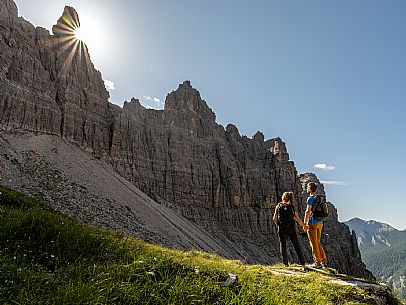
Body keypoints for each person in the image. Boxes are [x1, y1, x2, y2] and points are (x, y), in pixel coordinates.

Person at [273, 191, 306, 266]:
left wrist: (279, 225)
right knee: (297, 245)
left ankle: (285, 264)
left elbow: (274, 219)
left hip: (281, 229)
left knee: (283, 246)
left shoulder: (278, 206)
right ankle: (303, 263)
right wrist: (304, 226)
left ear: (284, 197)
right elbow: (298, 219)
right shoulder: (292, 207)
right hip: (291, 229)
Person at [303, 182, 327, 268]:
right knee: (318, 242)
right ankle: (323, 260)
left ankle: (317, 262)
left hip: (312, 223)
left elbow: (307, 211)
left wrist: (305, 223)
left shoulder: (310, 198)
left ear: (310, 188)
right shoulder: (319, 198)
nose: (306, 188)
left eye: (307, 187)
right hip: (320, 222)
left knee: (313, 242)